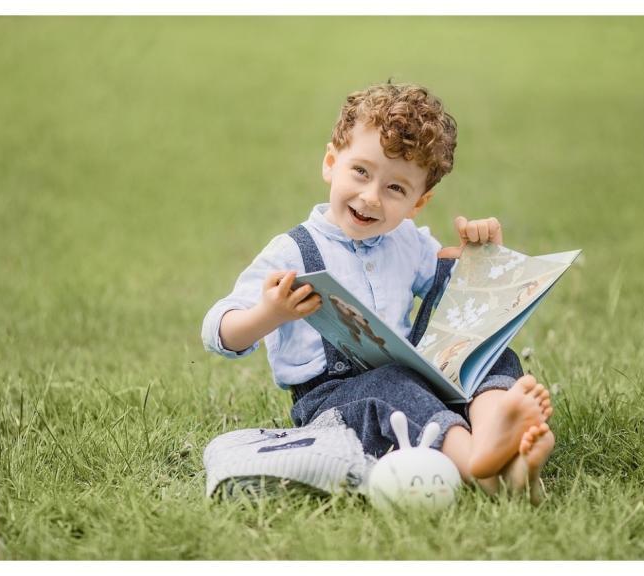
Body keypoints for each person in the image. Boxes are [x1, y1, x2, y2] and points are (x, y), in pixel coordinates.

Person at [202, 82, 554, 501]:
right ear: (331, 162)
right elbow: (217, 331)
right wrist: (269, 314)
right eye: (361, 172)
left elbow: (455, 297)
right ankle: (480, 461)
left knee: (490, 351)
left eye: (395, 189)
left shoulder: (407, 240)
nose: (371, 197)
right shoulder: (292, 251)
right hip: (334, 402)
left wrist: (479, 256)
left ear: (418, 203)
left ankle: (500, 434)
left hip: (416, 380)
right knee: (391, 386)